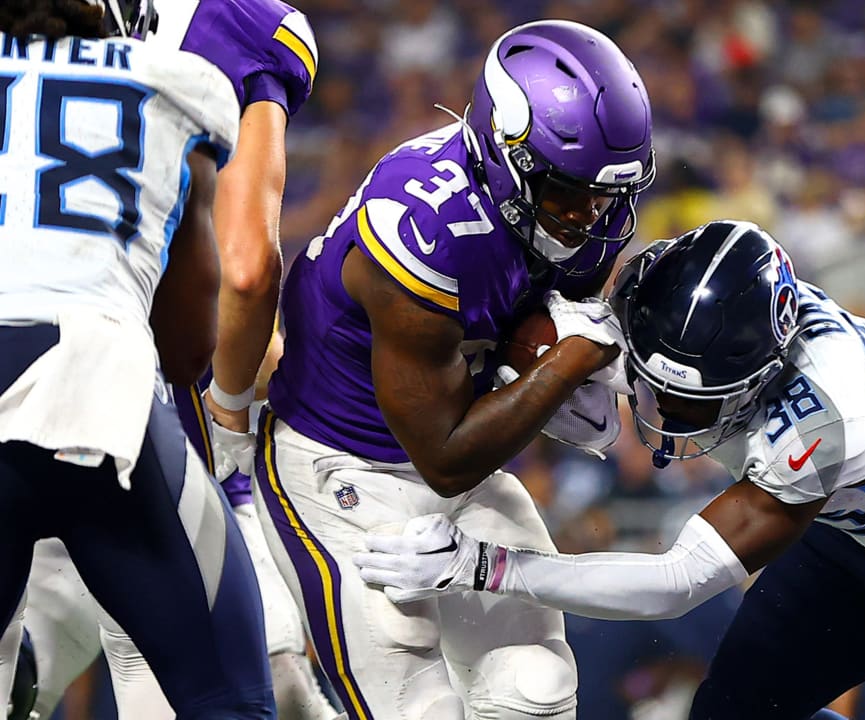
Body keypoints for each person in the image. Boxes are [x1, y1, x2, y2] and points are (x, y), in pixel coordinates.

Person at [355, 220, 865, 719]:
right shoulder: (674, 294)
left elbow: (676, 583)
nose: (658, 408)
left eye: (686, 400)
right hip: (856, 530)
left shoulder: (822, 420)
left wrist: (486, 566)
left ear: (761, 374)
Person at [255, 18, 654, 720]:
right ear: (505, 156)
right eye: (568, 195)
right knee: (418, 709)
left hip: (460, 461)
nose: (590, 217)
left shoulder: (590, 207)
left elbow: (538, 335)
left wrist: (552, 363)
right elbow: (443, 455)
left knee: (535, 692)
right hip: (342, 465)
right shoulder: (425, 226)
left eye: (607, 195)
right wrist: (567, 362)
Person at [4, 0, 334, 716]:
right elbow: (205, 323)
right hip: (98, 400)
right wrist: (230, 419)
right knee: (234, 690)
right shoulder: (179, 79)